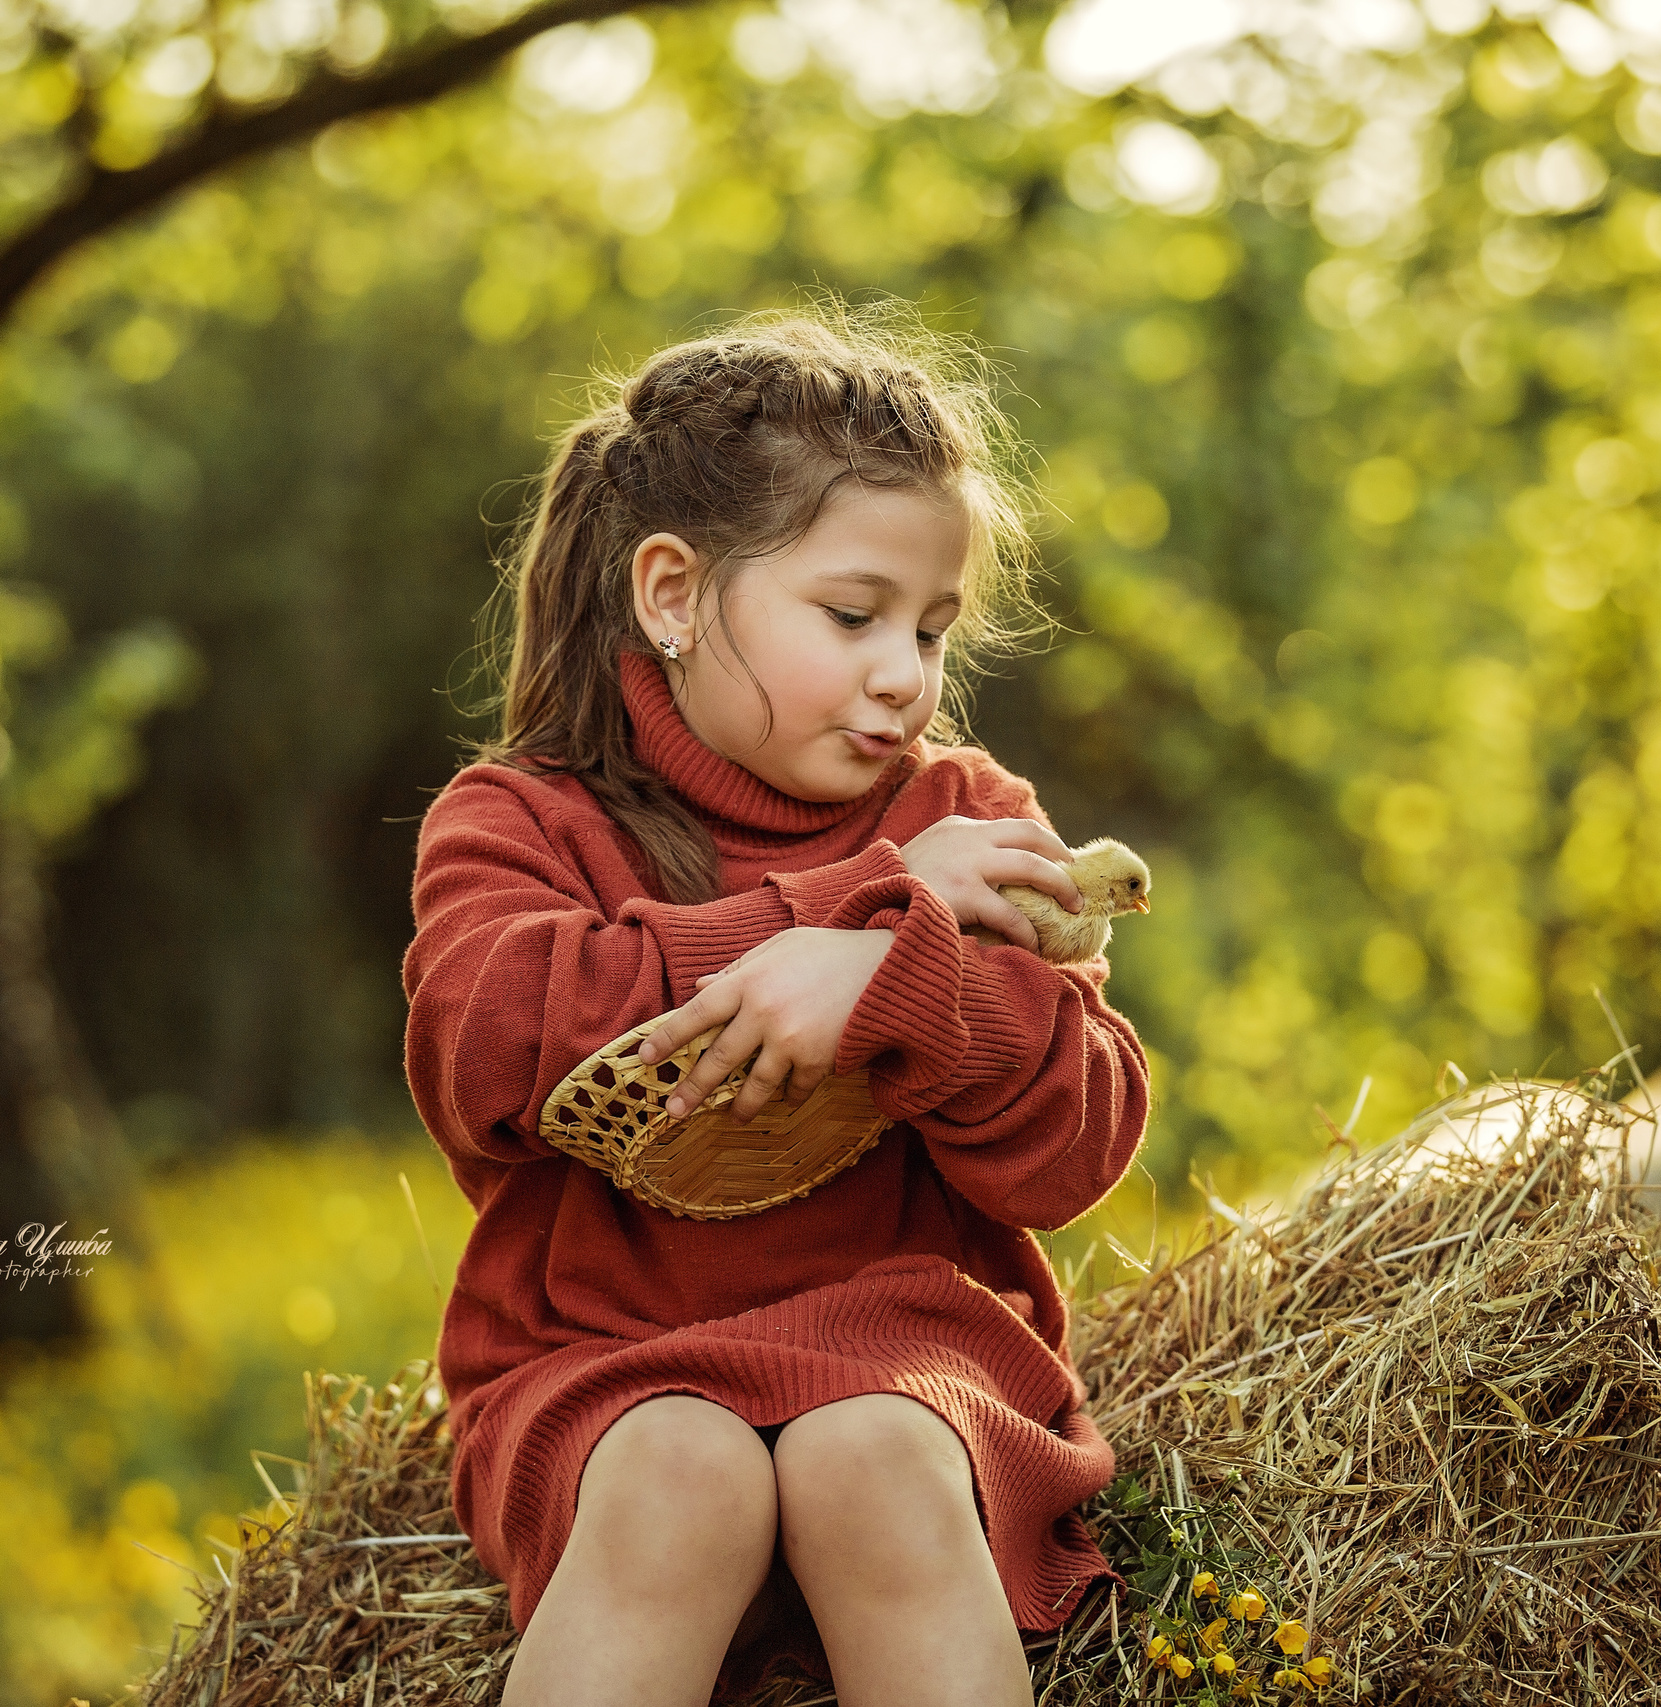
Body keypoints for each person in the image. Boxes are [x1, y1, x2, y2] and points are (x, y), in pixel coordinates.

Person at [400, 307, 1152, 1707]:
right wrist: (849, 910)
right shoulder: (518, 819)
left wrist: (892, 967)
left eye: (931, 629)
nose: (902, 674)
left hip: (910, 1345)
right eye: (852, 615)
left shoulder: (971, 820)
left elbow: (1073, 1145)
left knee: (869, 1458)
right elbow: (487, 1042)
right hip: (605, 1358)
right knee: (679, 1474)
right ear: (674, 595)